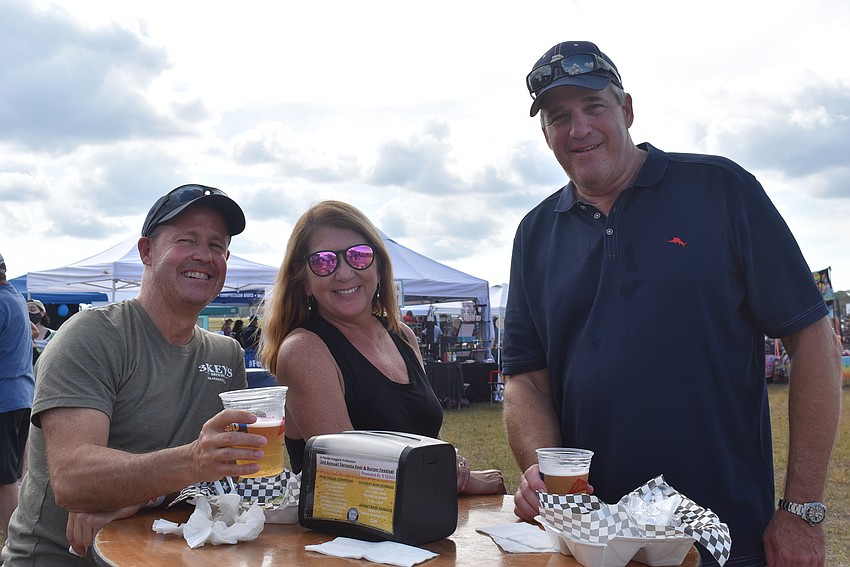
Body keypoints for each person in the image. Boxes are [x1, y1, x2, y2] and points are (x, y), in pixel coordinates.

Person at [503, 41, 842, 567]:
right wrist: (543, 469)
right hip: (592, 543)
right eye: (558, 117)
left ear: (627, 109)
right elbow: (526, 378)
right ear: (544, 133)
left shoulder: (721, 190)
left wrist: (802, 510)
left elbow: (812, 335)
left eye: (595, 108)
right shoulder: (535, 233)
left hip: (723, 539)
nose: (579, 129)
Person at [2, 184, 267, 566]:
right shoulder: (92, 335)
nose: (203, 256)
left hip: (162, 554)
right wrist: (192, 461)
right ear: (147, 252)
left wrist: (138, 497)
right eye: (186, 240)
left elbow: (233, 475)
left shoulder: (226, 353)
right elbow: (75, 479)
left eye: (216, 245)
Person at [260, 200, 504, 494]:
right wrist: (460, 480)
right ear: (305, 281)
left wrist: (454, 470)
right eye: (323, 261)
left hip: (422, 527)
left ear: (379, 266)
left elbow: (429, 442)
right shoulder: (304, 350)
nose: (345, 273)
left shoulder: (401, 335)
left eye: (358, 256)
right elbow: (347, 472)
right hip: (348, 538)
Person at [0, 252, 35, 555]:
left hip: (5, 401)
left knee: (5, 479)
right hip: (21, 397)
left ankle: (16, 547)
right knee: (17, 474)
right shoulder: (14, 296)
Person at [27, 299, 57, 364]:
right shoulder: (21, 335)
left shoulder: (54, 335)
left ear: (42, 313)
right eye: (25, 311)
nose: (28, 313)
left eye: (32, 310)